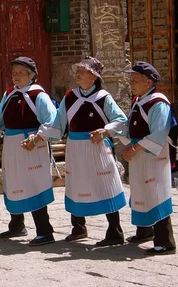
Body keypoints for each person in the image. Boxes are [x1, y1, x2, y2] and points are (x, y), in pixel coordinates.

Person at [41, 56, 127, 247]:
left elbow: (121, 120)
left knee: (105, 183)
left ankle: (115, 231)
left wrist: (105, 131)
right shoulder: (70, 97)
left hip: (97, 147)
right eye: (78, 70)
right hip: (75, 147)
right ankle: (78, 227)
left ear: (94, 77)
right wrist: (41, 136)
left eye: (83, 71)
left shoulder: (104, 98)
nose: (78, 73)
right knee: (76, 183)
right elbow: (58, 123)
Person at [0, 57, 57, 246]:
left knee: (34, 183)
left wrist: (37, 137)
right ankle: (17, 224)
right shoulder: (9, 94)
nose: (16, 76)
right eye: (14, 72)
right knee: (13, 182)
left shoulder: (39, 95)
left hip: (32, 145)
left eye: (21, 72)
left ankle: (45, 231)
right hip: (13, 144)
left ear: (32, 75)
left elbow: (51, 121)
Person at [121, 61, 177, 255]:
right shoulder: (139, 100)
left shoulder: (158, 103)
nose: (132, 83)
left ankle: (165, 241)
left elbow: (159, 133)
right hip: (140, 154)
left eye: (135, 80)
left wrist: (135, 147)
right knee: (140, 191)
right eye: (131, 80)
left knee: (156, 192)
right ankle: (145, 230)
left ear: (148, 82)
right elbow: (132, 127)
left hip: (154, 156)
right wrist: (127, 142)